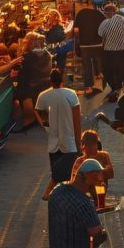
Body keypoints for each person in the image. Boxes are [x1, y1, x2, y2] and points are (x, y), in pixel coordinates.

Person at [48, 159, 108, 248]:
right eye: (97, 178)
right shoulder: (84, 204)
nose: (100, 182)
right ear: (88, 176)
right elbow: (96, 233)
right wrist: (104, 233)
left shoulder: (56, 193)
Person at [35, 69, 83, 201]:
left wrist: (44, 124)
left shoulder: (43, 95)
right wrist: (78, 142)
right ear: (62, 80)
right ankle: (50, 194)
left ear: (50, 81)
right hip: (69, 141)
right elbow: (77, 120)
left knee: (57, 171)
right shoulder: (71, 94)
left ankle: (55, 196)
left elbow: (37, 111)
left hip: (53, 142)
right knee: (68, 173)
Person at [98, 3, 124, 102]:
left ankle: (114, 89)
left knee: (109, 70)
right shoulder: (122, 19)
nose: (105, 15)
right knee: (121, 69)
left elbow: (100, 33)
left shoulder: (105, 22)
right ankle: (123, 87)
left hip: (109, 51)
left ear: (108, 13)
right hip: (122, 50)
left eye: (105, 13)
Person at [74, 0, 106, 96]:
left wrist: (77, 43)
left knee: (87, 66)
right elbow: (105, 28)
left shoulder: (80, 14)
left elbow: (76, 31)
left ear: (85, 4)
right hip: (98, 44)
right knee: (101, 64)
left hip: (85, 44)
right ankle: (103, 86)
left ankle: (89, 88)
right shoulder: (99, 14)